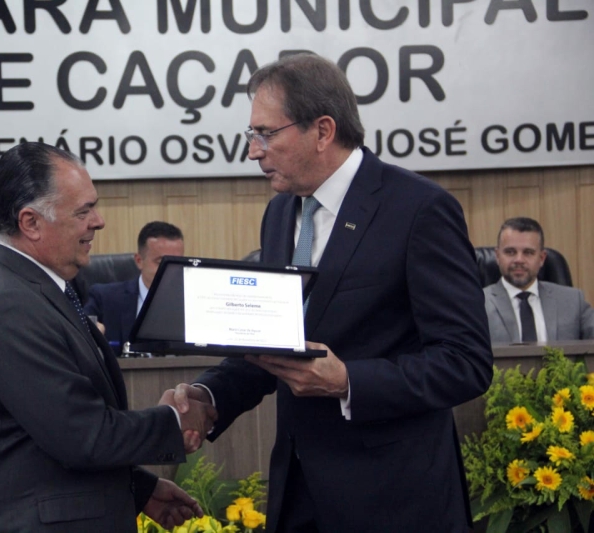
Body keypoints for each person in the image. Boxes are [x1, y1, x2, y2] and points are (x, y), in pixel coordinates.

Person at [172, 53, 493, 532]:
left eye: (265, 134)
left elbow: (465, 362)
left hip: (395, 501)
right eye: (250, 135)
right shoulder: (281, 213)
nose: (253, 151)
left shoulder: (419, 209)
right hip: (299, 494)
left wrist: (348, 382)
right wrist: (209, 394)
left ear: (323, 131)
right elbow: (276, 340)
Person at [0, 142, 215, 532]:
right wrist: (174, 420)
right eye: (84, 211)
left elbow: (39, 442)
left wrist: (137, 489)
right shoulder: (9, 304)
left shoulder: (35, 288)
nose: (99, 221)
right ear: (31, 223)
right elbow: (82, 436)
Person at [484, 216, 594, 343]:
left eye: (528, 252)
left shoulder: (573, 301)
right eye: (510, 252)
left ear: (542, 258)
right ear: (497, 256)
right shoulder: (478, 304)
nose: (519, 259)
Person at [83, 221, 185, 353]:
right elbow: (78, 334)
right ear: (139, 261)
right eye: (161, 262)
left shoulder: (193, 301)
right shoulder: (104, 298)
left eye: (177, 263)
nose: (170, 270)